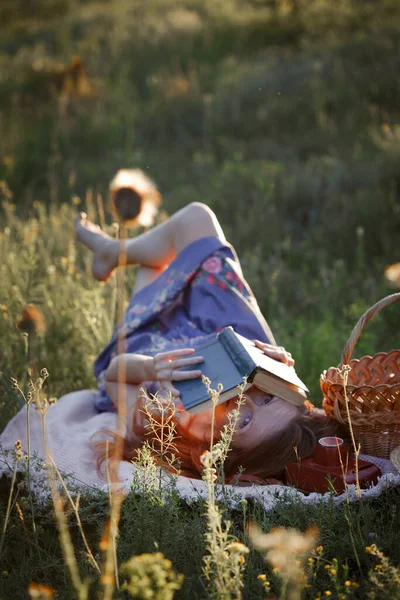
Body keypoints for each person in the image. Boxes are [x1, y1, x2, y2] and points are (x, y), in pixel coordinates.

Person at [75, 195, 338, 483]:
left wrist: (151, 368)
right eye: (268, 398)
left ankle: (114, 252)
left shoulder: (165, 421)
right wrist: (277, 366)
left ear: (216, 451)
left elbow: (114, 377)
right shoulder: (253, 378)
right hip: (227, 336)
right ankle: (114, 251)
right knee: (196, 218)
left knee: (154, 265)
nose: (242, 397)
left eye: (244, 421)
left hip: (151, 342)